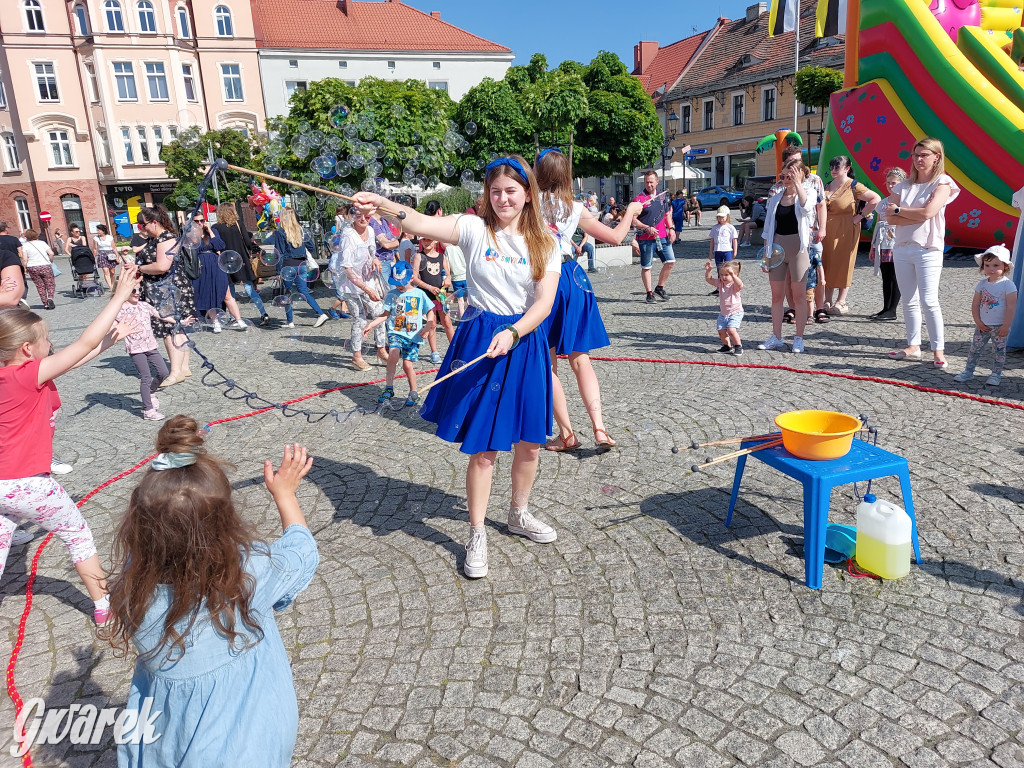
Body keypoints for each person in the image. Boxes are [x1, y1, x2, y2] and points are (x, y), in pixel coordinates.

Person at [353, 155, 562, 580]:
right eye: (496, 191)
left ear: (527, 194)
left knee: (530, 442)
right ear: (488, 194)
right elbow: (419, 223)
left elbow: (544, 303)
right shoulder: (472, 228)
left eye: (511, 191)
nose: (503, 198)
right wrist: (382, 204)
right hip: (481, 335)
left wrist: (516, 333)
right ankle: (477, 531)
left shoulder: (544, 241)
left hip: (523, 342)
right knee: (483, 448)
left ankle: (518, 514)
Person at [102, 418, 318, 767]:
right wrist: (285, 495)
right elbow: (302, 553)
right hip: (246, 746)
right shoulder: (247, 572)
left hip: (165, 740)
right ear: (225, 521)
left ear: (138, 525)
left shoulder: (131, 584)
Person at [0, 266, 141, 625]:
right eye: (46, 339)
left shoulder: (15, 375)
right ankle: (104, 605)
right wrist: (119, 297)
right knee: (77, 535)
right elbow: (82, 344)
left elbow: (75, 360)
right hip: (29, 483)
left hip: (3, 487)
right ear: (28, 349)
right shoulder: (25, 375)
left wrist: (109, 341)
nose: (51, 344)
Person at [535, 148, 643, 452]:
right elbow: (615, 237)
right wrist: (632, 213)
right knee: (581, 359)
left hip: (544, 280)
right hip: (573, 278)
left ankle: (566, 433)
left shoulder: (530, 204)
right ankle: (600, 428)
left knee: (549, 361)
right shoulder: (574, 206)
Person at [886, 138, 960, 366]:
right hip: (902, 247)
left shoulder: (943, 183)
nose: (919, 159)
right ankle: (913, 344)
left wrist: (901, 211)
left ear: (936, 156)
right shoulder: (904, 185)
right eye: (916, 155)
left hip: (928, 248)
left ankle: (938, 350)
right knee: (909, 300)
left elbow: (928, 213)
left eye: (924, 155)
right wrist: (905, 213)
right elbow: (889, 216)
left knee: (929, 301)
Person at [758, 159, 817, 353]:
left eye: (789, 175)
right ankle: (776, 336)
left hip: (798, 249)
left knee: (799, 296)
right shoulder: (776, 197)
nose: (785, 179)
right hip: (777, 248)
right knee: (777, 297)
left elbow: (807, 208)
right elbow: (768, 228)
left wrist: (798, 184)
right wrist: (766, 255)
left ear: (800, 175)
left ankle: (798, 338)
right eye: (782, 176)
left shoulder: (808, 192)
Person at [134, 206, 195, 386]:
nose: (141, 229)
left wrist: (138, 268)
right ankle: (183, 367)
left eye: (143, 225)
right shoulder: (159, 238)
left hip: (168, 290)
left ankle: (175, 372)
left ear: (154, 222)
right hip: (167, 288)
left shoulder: (165, 238)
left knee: (170, 330)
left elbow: (162, 266)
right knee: (178, 328)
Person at [364, 261, 435, 406]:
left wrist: (427, 327)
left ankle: (413, 392)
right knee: (393, 354)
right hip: (396, 332)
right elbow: (385, 315)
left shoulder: (420, 294)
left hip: (414, 336)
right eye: (396, 283)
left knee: (407, 365)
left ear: (411, 278)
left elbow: (430, 312)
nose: (398, 285)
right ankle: (389, 388)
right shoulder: (392, 294)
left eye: (401, 282)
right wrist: (371, 324)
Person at [821, 155, 880, 315]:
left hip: (846, 229)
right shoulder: (827, 185)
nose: (833, 170)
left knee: (843, 263)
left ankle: (841, 300)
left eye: (837, 167)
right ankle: (827, 299)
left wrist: (860, 216)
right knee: (827, 262)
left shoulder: (854, 185)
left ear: (847, 168)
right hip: (828, 230)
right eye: (832, 166)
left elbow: (875, 198)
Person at [332, 205, 387, 371]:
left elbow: (372, 251)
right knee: (360, 318)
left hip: (366, 278)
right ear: (352, 217)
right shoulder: (348, 236)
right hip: (350, 284)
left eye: (367, 216)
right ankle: (357, 356)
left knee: (379, 313)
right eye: (359, 216)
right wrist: (367, 289)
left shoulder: (370, 230)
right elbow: (347, 269)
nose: (363, 219)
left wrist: (375, 260)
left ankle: (381, 349)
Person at [954, 244, 1016, 385]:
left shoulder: (1008, 285)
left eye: (995, 265)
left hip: (1000, 326)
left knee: (999, 352)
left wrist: (1006, 325)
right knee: (974, 349)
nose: (991, 269)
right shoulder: (982, 285)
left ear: (1005, 266)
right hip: (983, 326)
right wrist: (978, 321)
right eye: (987, 265)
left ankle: (996, 374)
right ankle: (968, 371)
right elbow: (975, 304)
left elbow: (1012, 306)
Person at [264, 208, 331, 329]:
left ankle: (290, 322)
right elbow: (311, 246)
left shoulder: (280, 232)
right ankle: (320, 313)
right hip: (302, 265)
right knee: (304, 292)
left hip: (288, 266)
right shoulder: (301, 230)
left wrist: (278, 271)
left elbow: (280, 253)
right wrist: (301, 252)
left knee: (288, 293)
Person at [114, 285, 170, 419]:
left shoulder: (144, 305)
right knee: (145, 377)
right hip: (135, 348)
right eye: (133, 290)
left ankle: (150, 393)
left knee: (164, 372)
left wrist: (180, 321)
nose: (137, 293)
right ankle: (148, 410)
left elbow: (161, 315)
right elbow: (112, 326)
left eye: (139, 290)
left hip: (151, 346)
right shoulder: (120, 309)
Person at [213, 203, 269, 326]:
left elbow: (215, 245)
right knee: (249, 288)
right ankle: (263, 313)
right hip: (241, 260)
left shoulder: (216, 227)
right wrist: (259, 250)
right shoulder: (239, 224)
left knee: (230, 288)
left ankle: (234, 317)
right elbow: (248, 242)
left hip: (225, 261)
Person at [189, 213, 247, 333]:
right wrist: (196, 234)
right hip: (202, 266)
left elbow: (220, 245)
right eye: (196, 221)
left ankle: (239, 320)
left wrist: (210, 231)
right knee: (208, 295)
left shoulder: (213, 230)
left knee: (227, 294)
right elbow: (194, 250)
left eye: (202, 220)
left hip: (216, 265)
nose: (200, 223)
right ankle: (215, 322)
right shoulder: (191, 235)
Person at [868, 168, 906, 321]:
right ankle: (885, 307)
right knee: (886, 275)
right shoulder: (883, 203)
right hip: (883, 241)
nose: (891, 185)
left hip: (897, 240)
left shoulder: (905, 202)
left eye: (894, 183)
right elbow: (878, 224)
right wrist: (873, 246)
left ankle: (892, 309)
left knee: (895, 275)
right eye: (889, 183)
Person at [633, 170, 676, 303]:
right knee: (647, 266)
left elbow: (667, 214)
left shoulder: (663, 197)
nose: (649, 184)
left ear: (657, 182)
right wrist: (646, 228)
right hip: (646, 238)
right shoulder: (638, 199)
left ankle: (660, 287)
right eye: (647, 182)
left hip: (662, 236)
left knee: (670, 262)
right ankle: (649, 293)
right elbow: (633, 220)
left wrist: (672, 228)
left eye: (651, 182)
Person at [412, 235, 454, 358]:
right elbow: (414, 278)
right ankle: (434, 351)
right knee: (432, 323)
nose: (426, 242)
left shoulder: (442, 257)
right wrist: (429, 287)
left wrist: (448, 279)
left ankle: (453, 349)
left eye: (429, 239)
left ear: (435, 240)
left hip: (440, 295)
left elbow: (448, 274)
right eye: (424, 239)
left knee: (447, 322)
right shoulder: (419, 256)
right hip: (427, 294)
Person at [704, 260, 744, 355]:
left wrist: (734, 276)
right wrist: (708, 270)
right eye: (721, 274)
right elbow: (709, 279)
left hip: (736, 312)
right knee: (721, 331)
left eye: (727, 274)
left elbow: (740, 284)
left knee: (731, 330)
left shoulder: (734, 285)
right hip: (723, 313)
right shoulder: (720, 283)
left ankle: (738, 346)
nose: (723, 277)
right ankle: (727, 346)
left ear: (735, 274)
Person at [20, 229, 57, 310]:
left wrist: (25, 268)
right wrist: (50, 260)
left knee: (40, 286)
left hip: (32, 267)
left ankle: (45, 304)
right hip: (45, 265)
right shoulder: (42, 243)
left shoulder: (25, 246)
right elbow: (51, 253)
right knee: (50, 283)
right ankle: (50, 298)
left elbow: (25, 259)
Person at [708, 205, 738, 295]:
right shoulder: (715, 228)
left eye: (723, 217)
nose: (721, 219)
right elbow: (712, 240)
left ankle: (730, 286)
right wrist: (711, 252)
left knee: (729, 269)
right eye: (719, 217)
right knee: (719, 269)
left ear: (727, 216)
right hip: (718, 251)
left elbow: (734, 240)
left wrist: (735, 251)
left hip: (727, 250)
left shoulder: (731, 227)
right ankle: (719, 287)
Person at [369, 209, 400, 285]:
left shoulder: (383, 220)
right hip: (380, 262)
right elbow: (386, 244)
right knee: (388, 292)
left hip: (389, 261)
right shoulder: (371, 222)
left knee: (394, 290)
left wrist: (392, 243)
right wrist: (392, 242)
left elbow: (396, 241)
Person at [94, 224, 118, 290]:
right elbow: (95, 249)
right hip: (102, 255)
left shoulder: (110, 237)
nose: (97, 231)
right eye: (97, 230)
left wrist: (117, 257)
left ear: (103, 231)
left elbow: (114, 248)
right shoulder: (96, 238)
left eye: (98, 230)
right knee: (105, 270)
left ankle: (113, 284)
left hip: (111, 254)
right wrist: (94, 257)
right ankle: (110, 286)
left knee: (112, 272)